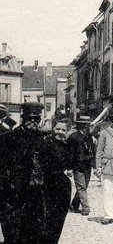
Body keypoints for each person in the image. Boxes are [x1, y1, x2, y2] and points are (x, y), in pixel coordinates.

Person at [0, 103, 73, 243]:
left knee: (37, 234)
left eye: (36, 119)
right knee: (14, 234)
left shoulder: (45, 139)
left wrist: (61, 142)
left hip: (38, 198)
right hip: (15, 197)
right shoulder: (8, 138)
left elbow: (59, 166)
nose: (33, 122)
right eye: (29, 118)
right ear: (23, 118)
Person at [67, 115, 97, 216]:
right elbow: (70, 153)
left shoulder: (90, 137)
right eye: (84, 125)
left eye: (87, 125)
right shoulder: (73, 137)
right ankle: (85, 208)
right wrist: (69, 168)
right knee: (81, 187)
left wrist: (95, 166)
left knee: (84, 186)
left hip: (87, 166)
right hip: (77, 165)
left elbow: (93, 152)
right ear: (79, 126)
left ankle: (74, 205)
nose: (86, 127)